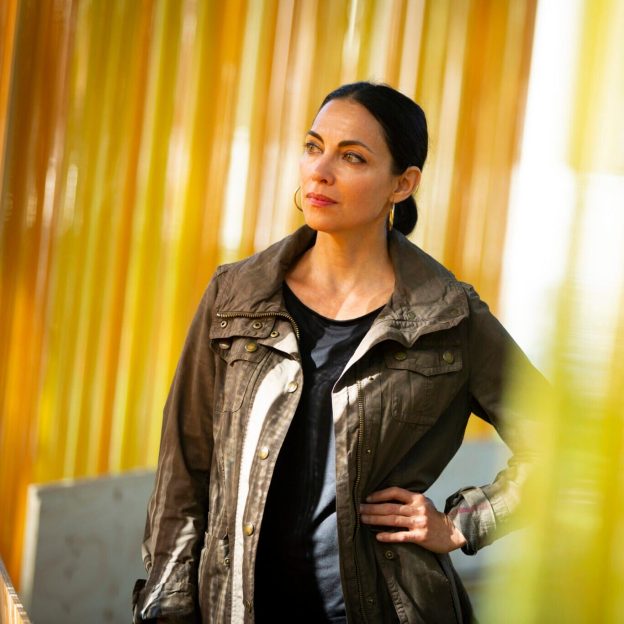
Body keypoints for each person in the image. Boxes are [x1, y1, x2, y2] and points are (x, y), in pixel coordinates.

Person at [132, 82, 543, 624]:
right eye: (313, 147)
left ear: (402, 184)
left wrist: (461, 522)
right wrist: (166, 609)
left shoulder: (448, 317)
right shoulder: (235, 296)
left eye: (352, 157)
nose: (320, 172)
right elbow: (184, 474)